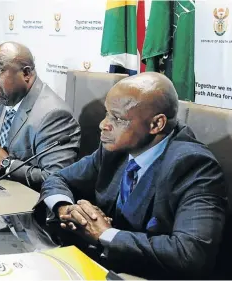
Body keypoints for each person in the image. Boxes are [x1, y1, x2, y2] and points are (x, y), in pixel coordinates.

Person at [34, 72, 227, 279]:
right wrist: (67, 209)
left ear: (156, 124)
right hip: (100, 266)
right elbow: (58, 179)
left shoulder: (194, 166)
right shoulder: (114, 148)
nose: (103, 124)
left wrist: (105, 234)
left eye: (117, 118)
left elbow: (190, 253)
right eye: (106, 113)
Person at [0, 42, 80, 190]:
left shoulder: (53, 114)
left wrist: (6, 164)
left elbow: (55, 178)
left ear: (26, 73)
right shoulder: (5, 101)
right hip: (0, 189)